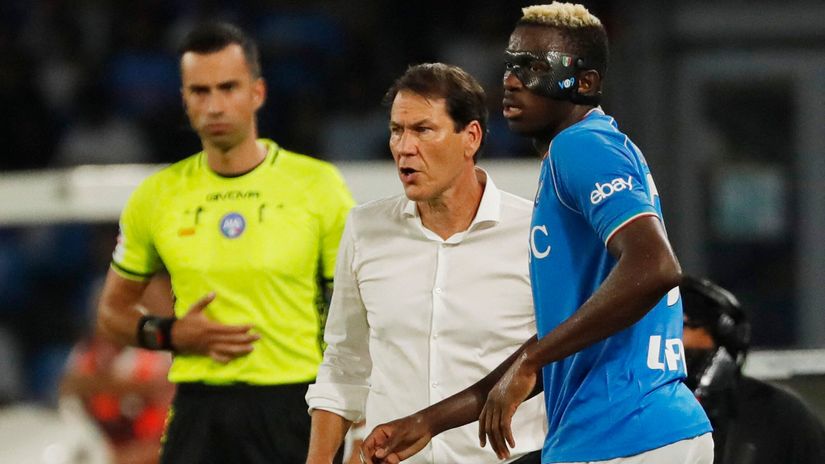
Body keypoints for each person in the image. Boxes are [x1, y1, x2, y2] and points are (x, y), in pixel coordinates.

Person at [362, 3, 713, 463]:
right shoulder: (586, 153)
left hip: (625, 435)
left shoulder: (580, 145)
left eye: (533, 67)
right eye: (510, 64)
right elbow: (560, 339)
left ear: (584, 83)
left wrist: (531, 361)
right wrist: (429, 422)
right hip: (631, 433)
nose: (511, 79)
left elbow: (657, 267)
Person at [95, 22, 355, 463]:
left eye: (228, 87)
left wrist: (358, 413)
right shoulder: (157, 196)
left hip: (295, 405)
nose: (214, 105)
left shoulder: (318, 186)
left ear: (257, 92)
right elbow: (111, 312)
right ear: (184, 99)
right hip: (199, 406)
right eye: (200, 91)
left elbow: (355, 313)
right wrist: (171, 332)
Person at [304, 63, 546, 464]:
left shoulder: (533, 232)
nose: (404, 147)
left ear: (470, 137)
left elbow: (561, 354)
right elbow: (344, 363)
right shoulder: (365, 229)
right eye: (397, 130)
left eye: (422, 130)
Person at [681, 275, 825, 464]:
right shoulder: (635, 411)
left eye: (682, 325)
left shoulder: (779, 416)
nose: (666, 336)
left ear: (724, 338)